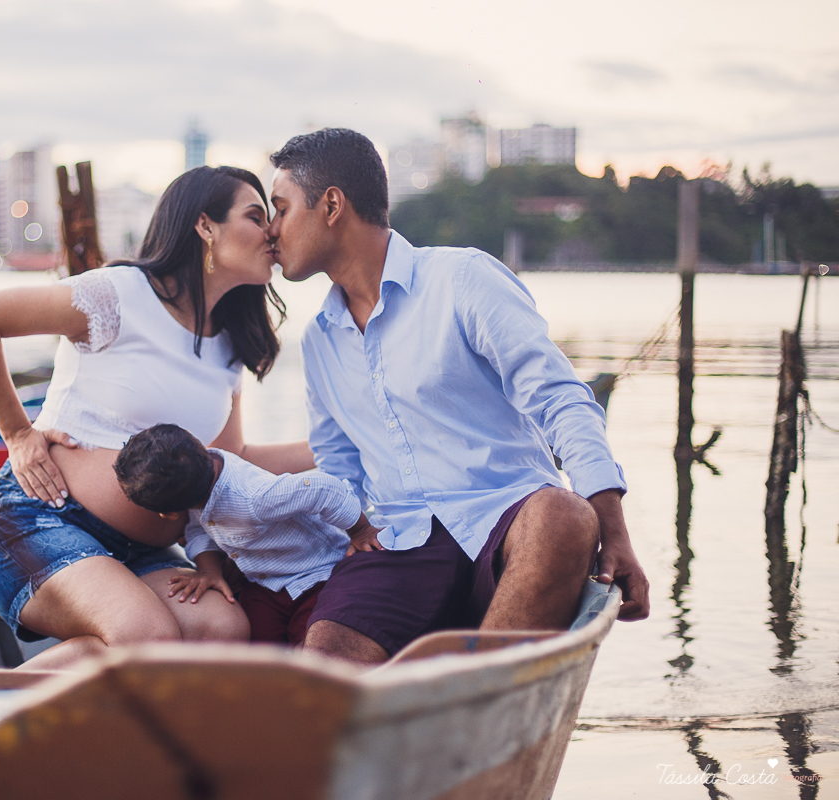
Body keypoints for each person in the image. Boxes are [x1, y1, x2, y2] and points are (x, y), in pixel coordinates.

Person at [265, 128, 651, 666]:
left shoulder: (463, 279)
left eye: (281, 209)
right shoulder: (320, 340)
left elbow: (561, 398)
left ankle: (475, 689)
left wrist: (614, 532)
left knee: (565, 516)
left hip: (510, 522)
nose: (272, 229)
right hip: (399, 544)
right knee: (328, 656)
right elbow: (340, 470)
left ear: (331, 205)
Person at [0, 166, 315, 669]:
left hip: (137, 551)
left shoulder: (229, 346)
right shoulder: (119, 295)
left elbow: (231, 459)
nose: (272, 231)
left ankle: (38, 697)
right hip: (39, 519)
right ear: (205, 226)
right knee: (147, 632)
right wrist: (17, 433)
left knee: (224, 629)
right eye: (256, 216)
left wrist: (339, 447)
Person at [112, 423, 383, 645]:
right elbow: (197, 528)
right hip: (264, 583)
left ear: (168, 514)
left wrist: (360, 530)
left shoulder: (255, 499)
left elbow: (325, 489)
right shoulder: (200, 475)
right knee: (257, 645)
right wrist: (209, 571)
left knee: (314, 642)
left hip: (316, 576)